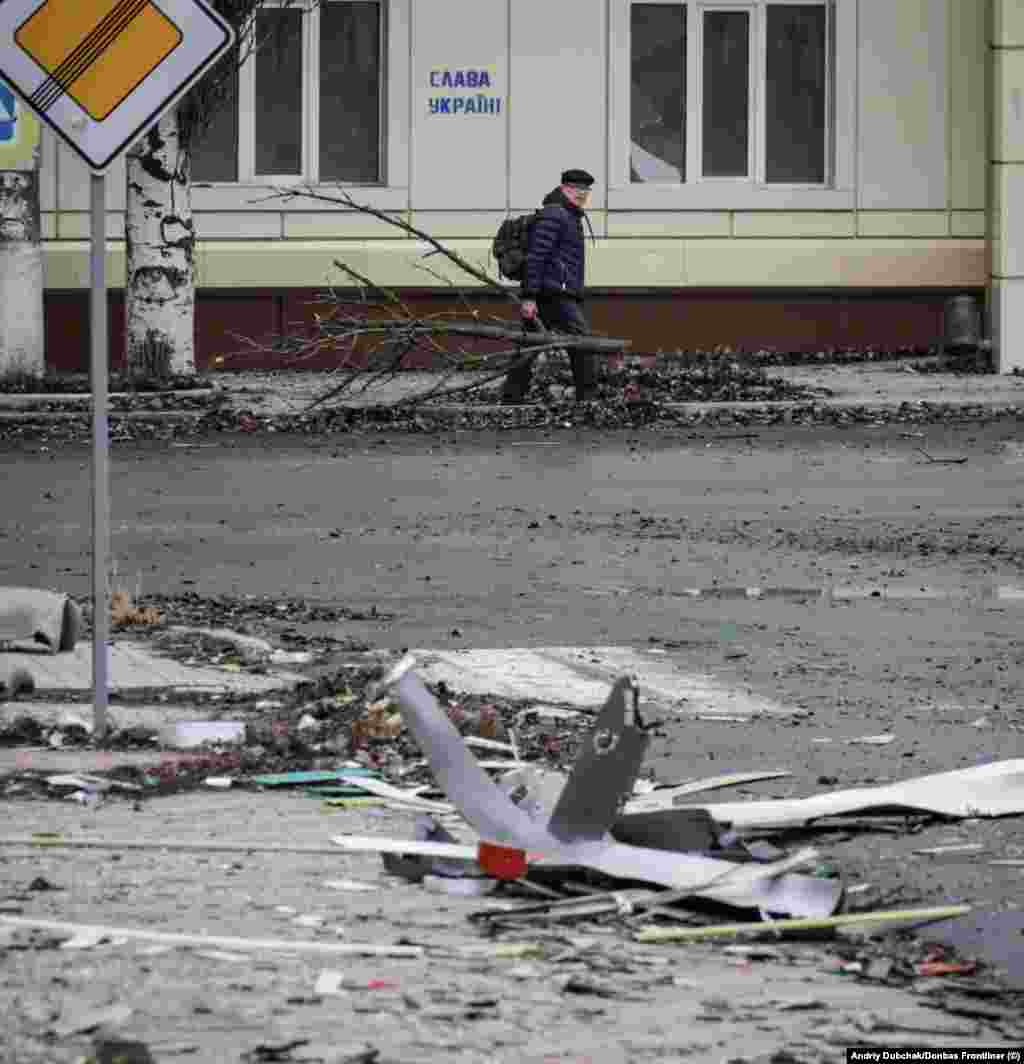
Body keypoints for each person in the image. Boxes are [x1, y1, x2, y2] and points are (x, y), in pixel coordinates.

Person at [502, 168, 598, 404]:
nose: (582, 194)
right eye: (577, 189)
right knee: (582, 343)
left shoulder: (568, 214)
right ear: (564, 188)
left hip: (553, 291)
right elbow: (537, 257)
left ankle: (511, 398)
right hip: (553, 293)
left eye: (586, 190)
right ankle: (587, 399)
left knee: (528, 346)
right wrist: (529, 297)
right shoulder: (555, 215)